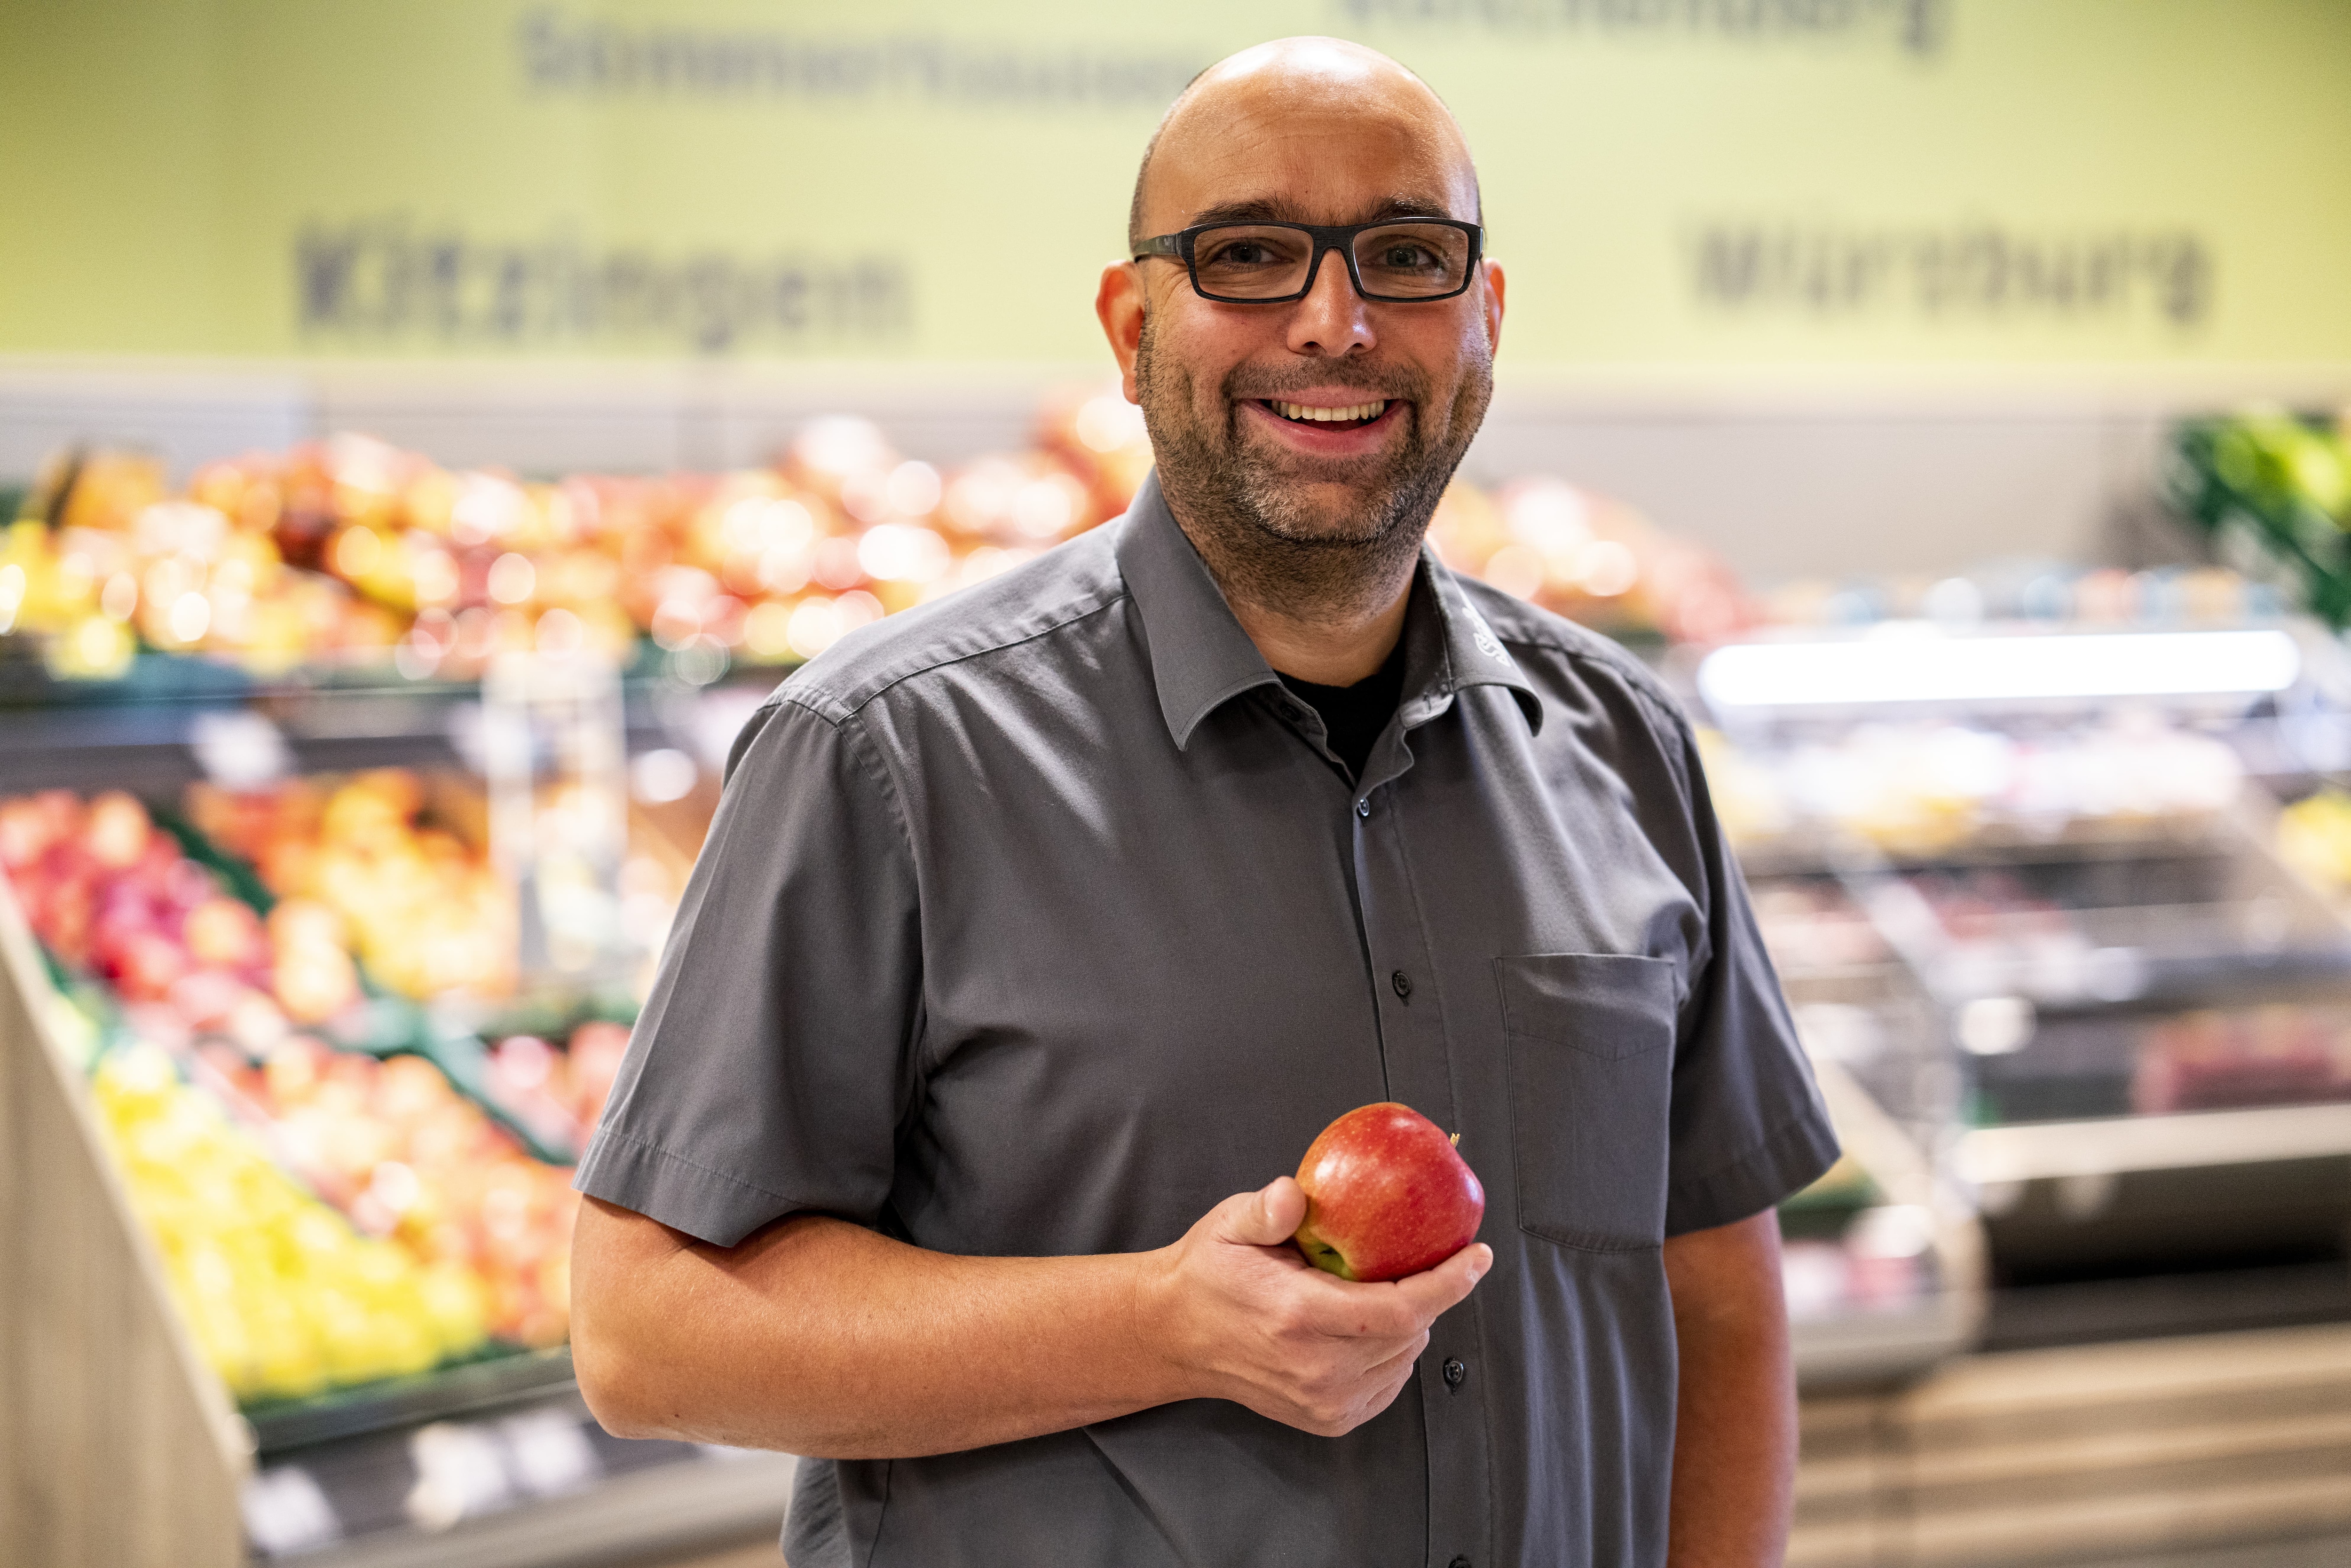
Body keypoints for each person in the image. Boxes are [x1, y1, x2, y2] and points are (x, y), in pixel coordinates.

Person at [570, 35, 1837, 1568]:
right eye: (1248, 255)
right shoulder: (890, 753)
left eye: (1406, 257)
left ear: (1487, 320)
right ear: (1131, 327)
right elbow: (644, 1336)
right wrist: (1160, 1327)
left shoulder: (1622, 748)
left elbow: (1716, 1292)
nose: (1335, 321)